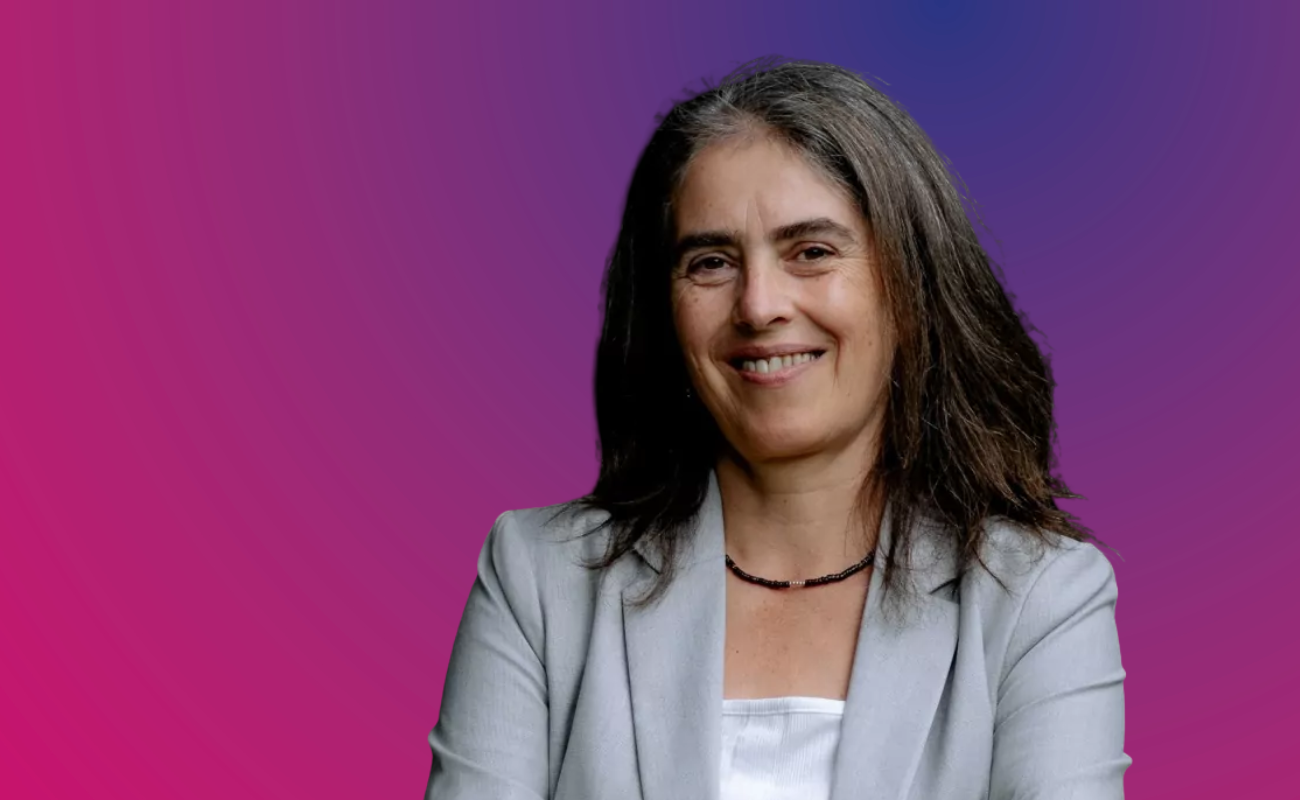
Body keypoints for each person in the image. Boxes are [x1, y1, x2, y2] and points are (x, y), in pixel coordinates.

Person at [424, 56, 1127, 800]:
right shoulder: (538, 578)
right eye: (711, 262)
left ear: (911, 285)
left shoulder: (1040, 597)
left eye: (812, 252)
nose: (758, 305)